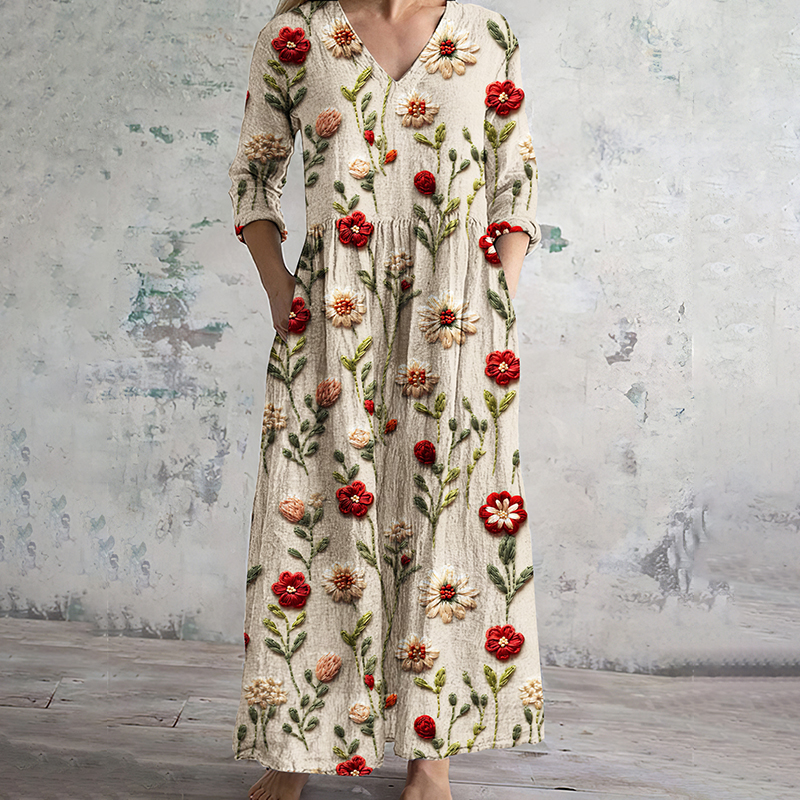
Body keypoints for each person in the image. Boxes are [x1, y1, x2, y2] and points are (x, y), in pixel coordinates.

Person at [227, 1, 546, 798]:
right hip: (332, 309)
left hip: (456, 316)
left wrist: (495, 303)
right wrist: (282, 295)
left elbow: (515, 184)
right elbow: (254, 177)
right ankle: (296, 745)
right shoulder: (297, 36)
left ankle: (430, 754)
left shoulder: (487, 36)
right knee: (313, 512)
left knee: (444, 519)